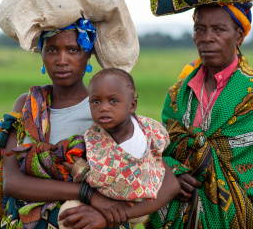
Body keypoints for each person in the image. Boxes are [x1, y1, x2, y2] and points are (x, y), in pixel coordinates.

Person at [0, 0, 181, 229]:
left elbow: (158, 179)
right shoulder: (29, 104)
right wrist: (86, 193)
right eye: (52, 50)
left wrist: (106, 213)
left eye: (73, 50)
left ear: (88, 54)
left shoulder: (105, 108)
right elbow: (13, 182)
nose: (62, 60)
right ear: (41, 53)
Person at [145, 3, 253, 228]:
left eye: (219, 30)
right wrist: (175, 173)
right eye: (199, 29)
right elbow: (163, 151)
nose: (206, 38)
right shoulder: (178, 95)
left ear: (239, 35)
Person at [58, 68, 175, 229]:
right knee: (67, 215)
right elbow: (99, 174)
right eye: (96, 101)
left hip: (138, 206)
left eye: (113, 101)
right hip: (110, 202)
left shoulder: (144, 137)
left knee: (70, 214)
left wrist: (79, 170)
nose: (104, 108)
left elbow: (105, 178)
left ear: (132, 105)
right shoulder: (96, 135)